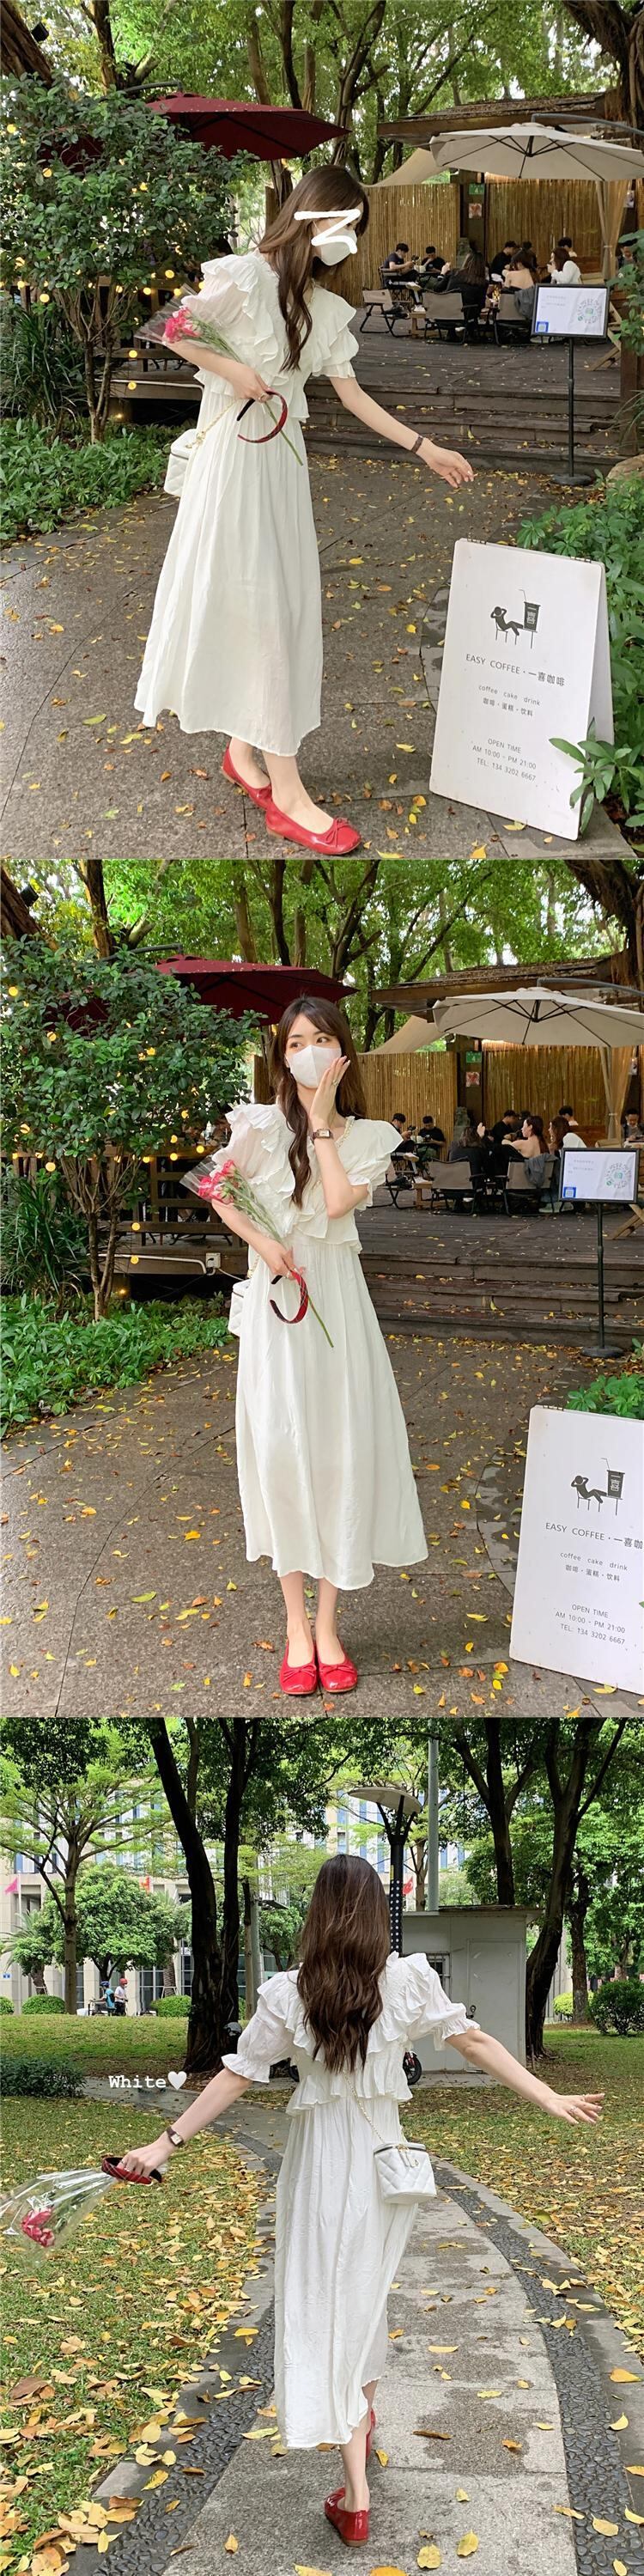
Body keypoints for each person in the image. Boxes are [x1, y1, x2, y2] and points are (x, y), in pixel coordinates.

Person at [118, 1854, 603, 2549]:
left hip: (321, 2168)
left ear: (317, 1911)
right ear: (377, 1912)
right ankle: (359, 2443)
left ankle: (356, 2496)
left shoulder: (288, 1992)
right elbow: (474, 2040)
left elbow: (236, 2076)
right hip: (384, 2169)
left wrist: (165, 2142)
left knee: (330, 2309)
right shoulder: (405, 1981)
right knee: (362, 2305)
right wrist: (547, 2094)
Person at [136, 170, 473, 859]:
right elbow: (170, 327)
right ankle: (287, 795)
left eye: (356, 232)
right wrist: (234, 371)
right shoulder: (244, 276)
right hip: (234, 466)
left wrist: (425, 447)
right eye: (345, 226)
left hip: (281, 469)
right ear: (313, 217)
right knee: (266, 614)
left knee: (282, 608)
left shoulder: (318, 306)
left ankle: (242, 752)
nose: (349, 242)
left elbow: (353, 395)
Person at [185, 996, 428, 1696]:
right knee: (282, 1452)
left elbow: (339, 1201)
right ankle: (295, 1625)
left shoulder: (370, 1136)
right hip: (276, 1304)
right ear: (280, 1056)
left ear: (343, 1052)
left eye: (321, 1038)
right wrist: (263, 1244)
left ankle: (327, 1625)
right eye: (295, 1042)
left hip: (338, 1309)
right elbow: (214, 1186)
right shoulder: (258, 1125)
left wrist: (321, 1123)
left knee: (339, 1453)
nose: (308, 1051)